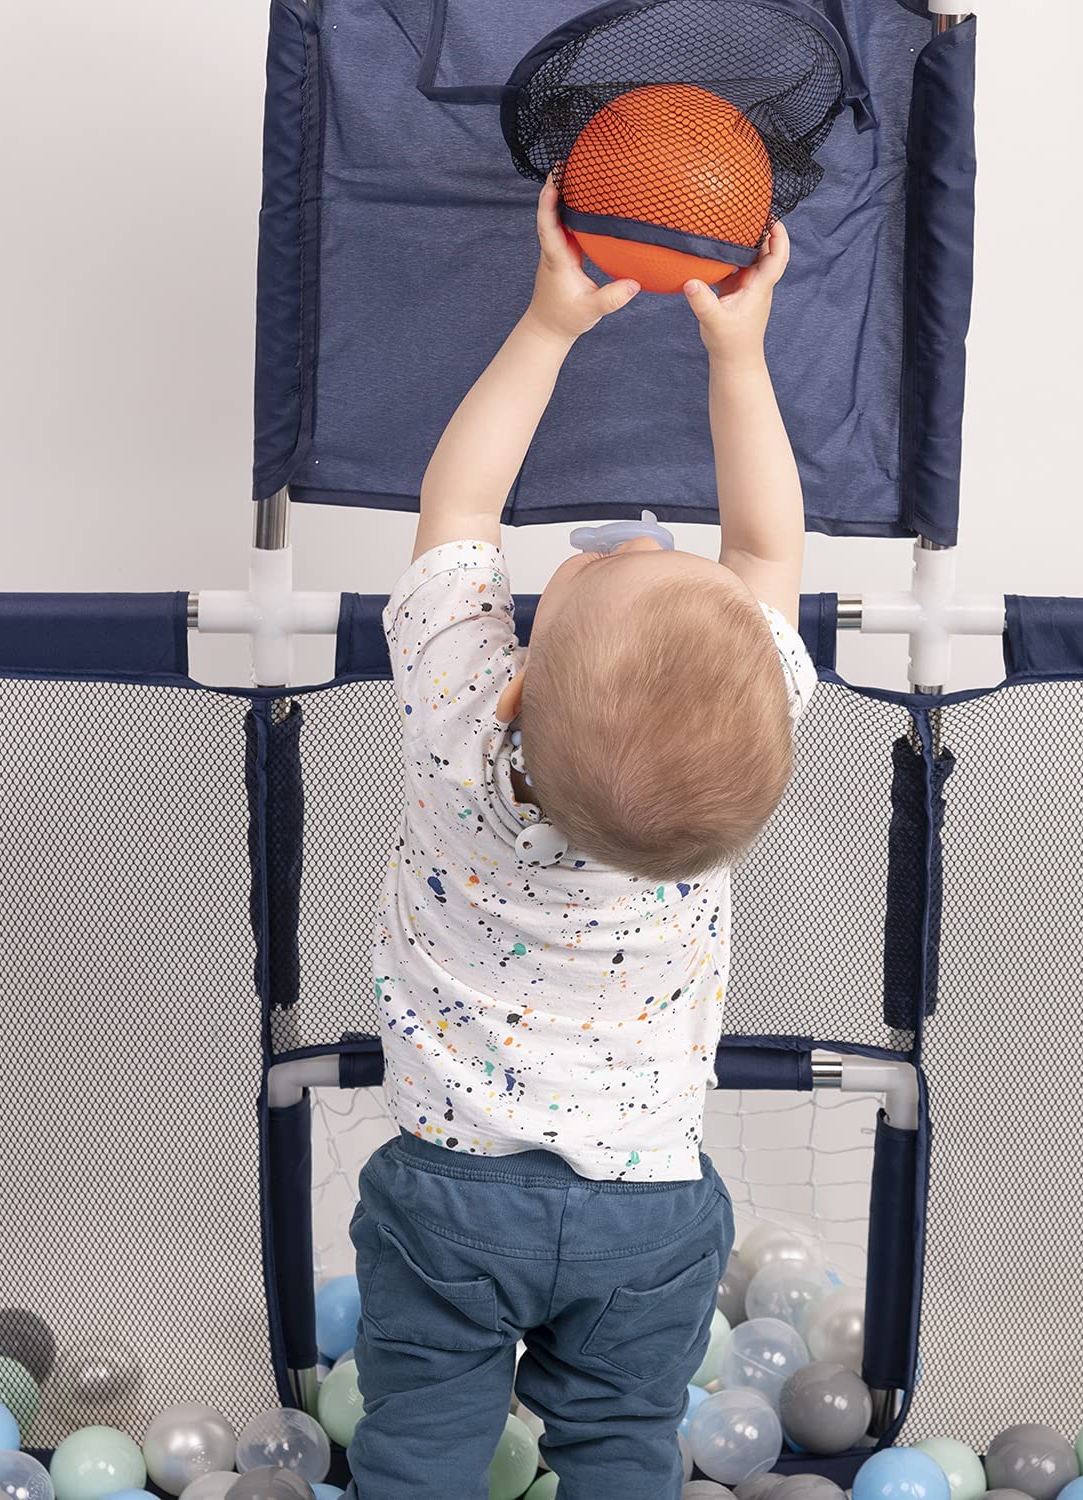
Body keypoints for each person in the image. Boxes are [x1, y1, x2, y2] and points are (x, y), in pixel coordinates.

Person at [343, 182, 817, 1500]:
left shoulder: (457, 734)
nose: (647, 537)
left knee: (419, 1443)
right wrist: (740, 353)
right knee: (623, 1449)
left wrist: (551, 327)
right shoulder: (718, 793)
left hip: (450, 1199)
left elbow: (458, 515)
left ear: (511, 679)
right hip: (650, 1219)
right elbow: (766, 546)